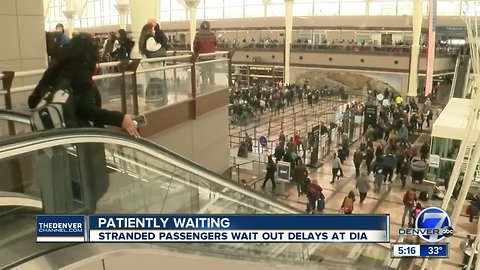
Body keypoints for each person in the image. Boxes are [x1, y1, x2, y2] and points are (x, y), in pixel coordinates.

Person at [28, 32, 138, 137]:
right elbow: (88, 111)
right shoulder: (81, 73)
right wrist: (120, 119)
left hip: (49, 140)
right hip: (79, 142)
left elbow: (32, 101)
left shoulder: (53, 70)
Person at [193, 20, 217, 86]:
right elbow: (215, 43)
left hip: (203, 57)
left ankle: (205, 86)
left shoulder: (198, 34)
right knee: (212, 73)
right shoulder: (212, 34)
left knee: (204, 73)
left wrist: (196, 52)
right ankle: (212, 86)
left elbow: (195, 46)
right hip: (211, 56)